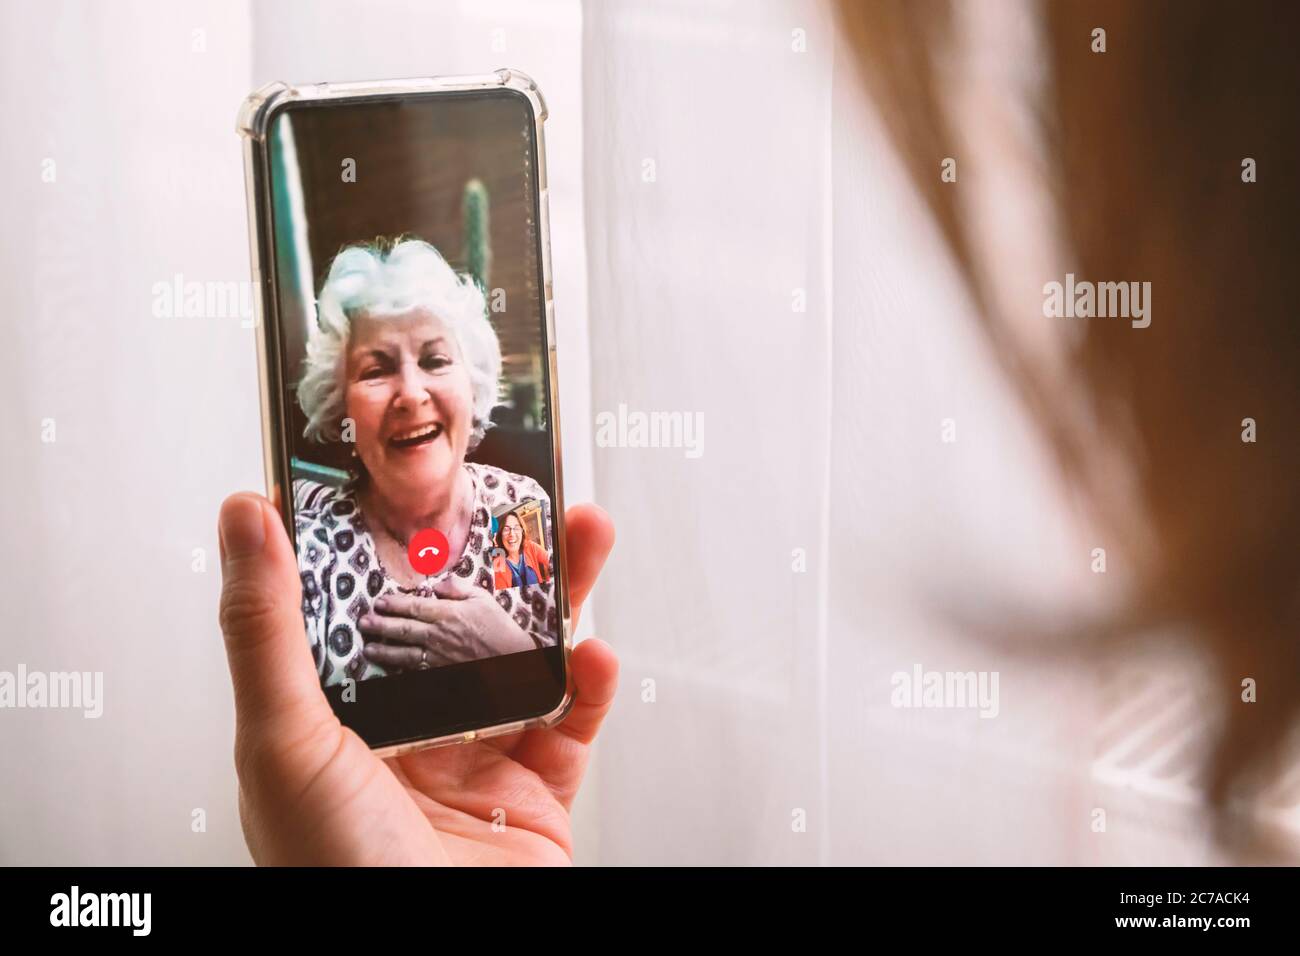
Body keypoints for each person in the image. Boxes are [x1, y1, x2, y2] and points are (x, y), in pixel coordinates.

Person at [292, 238, 556, 682]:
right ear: (341, 409)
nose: (412, 394)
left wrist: (512, 657)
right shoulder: (310, 557)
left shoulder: (515, 510)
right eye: (376, 371)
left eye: (434, 360)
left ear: (471, 388)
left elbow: (552, 697)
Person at [493, 509, 552, 590]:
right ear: (500, 535)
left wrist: (550, 584)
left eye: (516, 528)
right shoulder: (498, 562)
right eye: (506, 529)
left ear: (522, 532)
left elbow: (552, 561)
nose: (512, 534)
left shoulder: (530, 546)